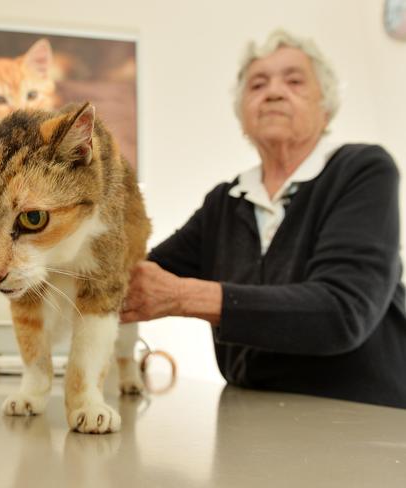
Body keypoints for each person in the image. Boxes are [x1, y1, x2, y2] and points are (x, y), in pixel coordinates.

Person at [120, 29, 406, 409]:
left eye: (293, 80)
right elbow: (138, 277)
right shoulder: (226, 201)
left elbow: (342, 311)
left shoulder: (361, 170)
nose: (273, 92)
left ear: (326, 106)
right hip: (252, 418)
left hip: (363, 423)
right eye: (258, 84)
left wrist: (184, 297)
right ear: (242, 116)